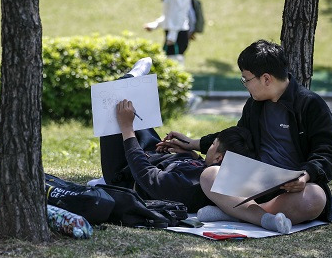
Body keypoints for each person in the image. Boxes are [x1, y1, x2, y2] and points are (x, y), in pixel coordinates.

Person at [158, 39, 332, 234]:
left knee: (315, 198)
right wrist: (193, 143)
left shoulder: (310, 105)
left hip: (293, 189)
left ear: (266, 79)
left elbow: (329, 152)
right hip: (255, 183)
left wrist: (305, 176)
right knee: (209, 175)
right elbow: (237, 136)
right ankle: (261, 217)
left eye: (246, 79)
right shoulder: (254, 105)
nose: (245, 84)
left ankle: (237, 212)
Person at [96, 59, 254, 213]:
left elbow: (145, 175)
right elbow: (194, 167)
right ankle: (133, 82)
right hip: (152, 154)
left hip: (126, 172)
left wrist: (127, 128)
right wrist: (189, 154)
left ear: (219, 159)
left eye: (213, 145)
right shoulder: (209, 170)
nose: (208, 148)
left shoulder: (190, 185)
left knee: (116, 99)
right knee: (136, 111)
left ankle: (130, 78)